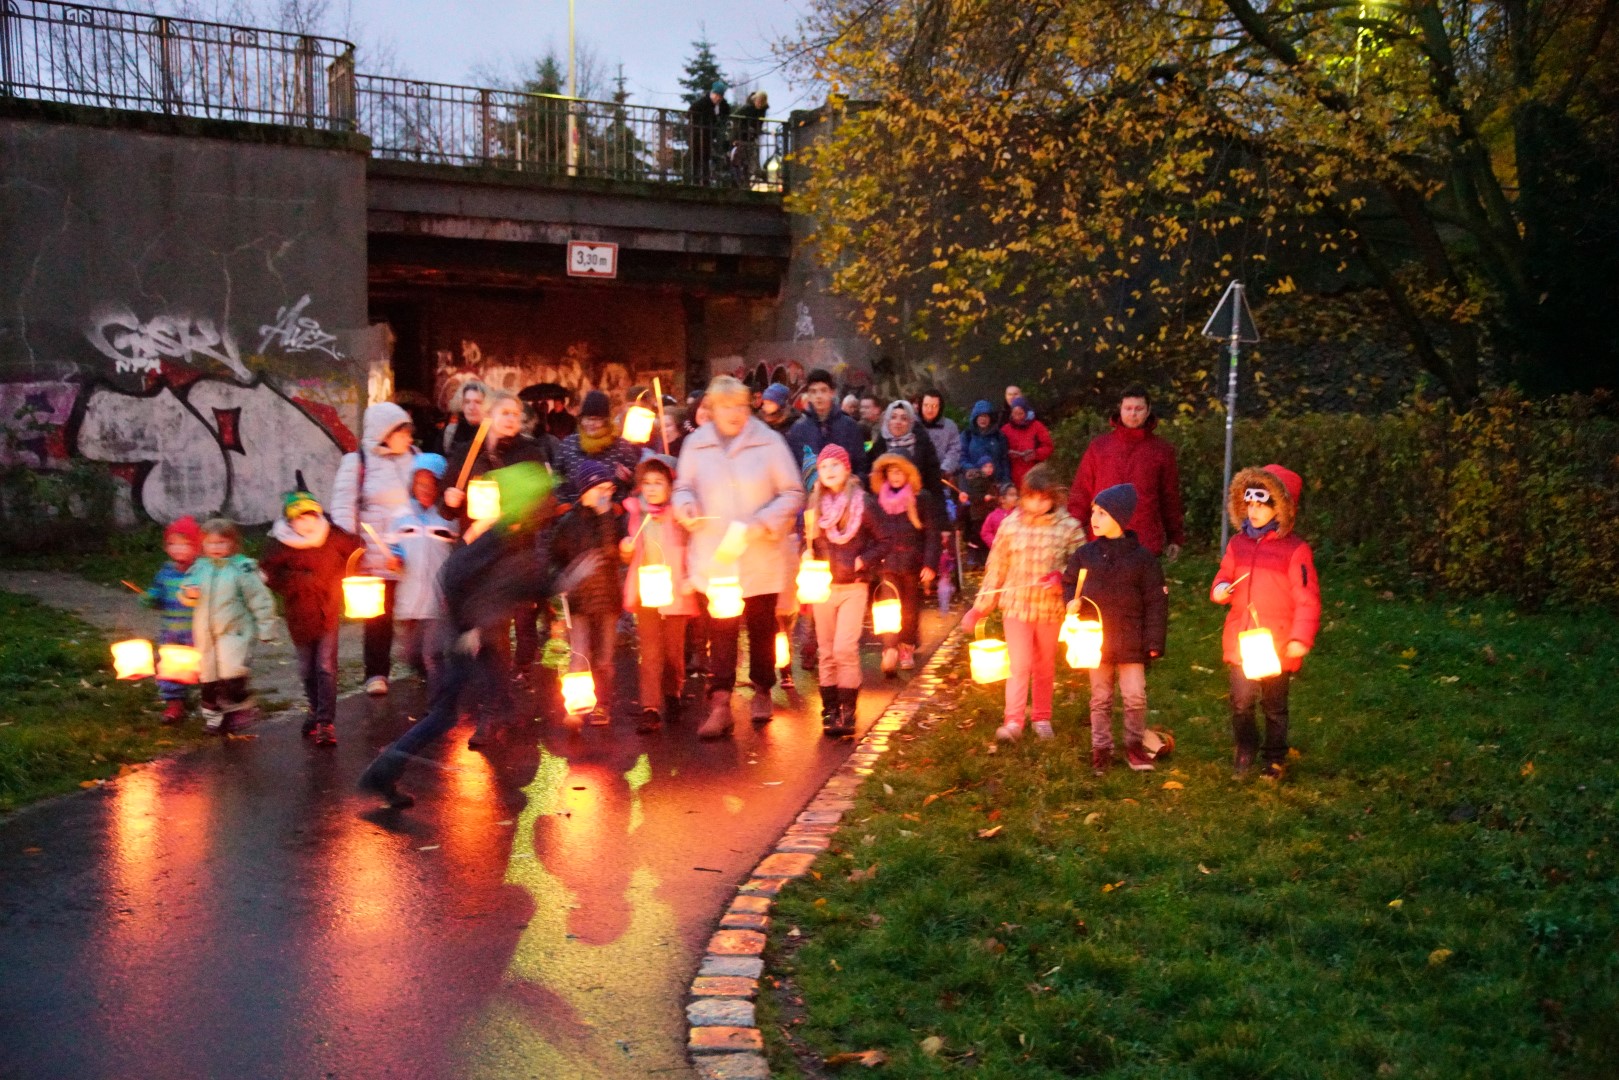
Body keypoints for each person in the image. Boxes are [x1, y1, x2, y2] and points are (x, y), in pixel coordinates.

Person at [358, 464, 599, 808]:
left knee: (487, 700)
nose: (551, 502)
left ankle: (388, 773)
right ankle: (382, 773)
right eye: (544, 497)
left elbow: (531, 585)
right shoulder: (501, 540)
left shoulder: (516, 538)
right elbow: (454, 575)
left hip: (476, 637)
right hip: (462, 639)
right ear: (528, 503)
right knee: (445, 714)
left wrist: (570, 577)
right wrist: (465, 628)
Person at [673, 375, 806, 738]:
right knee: (720, 631)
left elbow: (793, 492)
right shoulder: (696, 445)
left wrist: (761, 523)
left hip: (758, 555)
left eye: (740, 406)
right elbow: (682, 486)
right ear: (712, 409)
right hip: (715, 556)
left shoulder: (769, 442)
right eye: (725, 406)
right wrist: (685, 505)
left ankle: (762, 687)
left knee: (762, 628)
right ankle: (720, 703)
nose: (734, 413)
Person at [1210, 464, 1321, 780]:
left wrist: (1300, 637)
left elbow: (1306, 597)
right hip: (1242, 640)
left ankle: (1275, 757)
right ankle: (1245, 747)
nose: (1254, 510)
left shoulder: (1295, 551)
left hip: (1277, 643)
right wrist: (1220, 589)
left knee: (1274, 706)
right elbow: (1224, 574)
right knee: (1241, 700)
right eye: (1250, 503)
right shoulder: (1237, 544)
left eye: (1262, 503)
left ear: (1281, 508)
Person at [962, 465, 1084, 742]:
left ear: (1054, 497)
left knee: (1044, 665)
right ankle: (1014, 719)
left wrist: (1062, 580)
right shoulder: (1011, 525)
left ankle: (1042, 716)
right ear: (1022, 496)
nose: (1037, 504)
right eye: (1031, 497)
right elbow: (997, 566)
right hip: (1016, 607)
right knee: (1019, 664)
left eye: (1043, 498)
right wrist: (981, 606)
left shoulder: (1068, 528)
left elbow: (1080, 567)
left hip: (1049, 610)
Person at [1063, 484, 1168, 774]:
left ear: (1120, 518)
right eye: (1094, 512)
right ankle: (1101, 749)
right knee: (1100, 696)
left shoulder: (1143, 560)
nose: (1094, 518)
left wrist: (1154, 641)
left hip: (1131, 640)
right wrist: (1070, 602)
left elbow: (1156, 602)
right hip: (1094, 641)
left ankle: (1134, 746)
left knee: (1135, 695)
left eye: (1102, 513)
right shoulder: (1085, 555)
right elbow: (1070, 582)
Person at [260, 484, 365, 746]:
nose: (306, 522)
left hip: (327, 610)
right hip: (298, 614)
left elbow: (355, 551)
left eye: (310, 515)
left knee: (326, 666)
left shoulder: (331, 536)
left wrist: (352, 571)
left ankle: (325, 722)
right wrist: (290, 582)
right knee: (307, 668)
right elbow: (269, 574)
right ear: (289, 519)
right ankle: (315, 708)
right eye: (299, 517)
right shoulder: (281, 545)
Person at [329, 401, 419, 696]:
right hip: (374, 552)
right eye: (402, 431)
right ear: (385, 432)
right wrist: (349, 544)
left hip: (411, 548)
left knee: (417, 609)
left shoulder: (416, 457)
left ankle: (421, 662)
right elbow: (343, 506)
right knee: (379, 616)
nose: (408, 437)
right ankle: (376, 672)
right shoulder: (358, 462)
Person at [806, 444, 881, 736]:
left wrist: (863, 560)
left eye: (835, 465)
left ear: (847, 469)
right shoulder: (815, 507)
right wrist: (806, 553)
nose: (829, 471)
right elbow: (809, 541)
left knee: (844, 648)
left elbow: (884, 539)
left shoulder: (863, 504)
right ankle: (830, 709)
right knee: (826, 650)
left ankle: (849, 709)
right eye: (823, 467)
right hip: (824, 586)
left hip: (853, 586)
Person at [180, 519, 277, 735]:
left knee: (231, 675)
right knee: (208, 678)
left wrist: (266, 628)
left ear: (232, 544)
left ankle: (241, 707)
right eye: (211, 543)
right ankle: (214, 717)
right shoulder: (199, 568)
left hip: (234, 632)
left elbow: (259, 599)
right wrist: (188, 594)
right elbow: (186, 590)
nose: (216, 548)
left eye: (221, 543)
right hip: (205, 635)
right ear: (203, 545)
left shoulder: (241, 569)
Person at [550, 459, 627, 729]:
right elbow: (553, 557)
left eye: (609, 489)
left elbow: (611, 552)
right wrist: (564, 577)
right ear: (585, 490)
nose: (606, 494)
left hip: (607, 598)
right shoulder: (568, 523)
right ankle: (577, 706)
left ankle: (602, 705)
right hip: (578, 600)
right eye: (600, 488)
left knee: (604, 659)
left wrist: (606, 516)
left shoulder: (611, 519)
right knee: (579, 654)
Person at [1067, 387, 1186, 560]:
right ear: (1120, 409)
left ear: (1148, 411)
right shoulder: (1100, 447)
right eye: (1128, 408)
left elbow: (1169, 498)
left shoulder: (1161, 451)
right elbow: (1082, 491)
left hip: (1144, 542)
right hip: (1102, 539)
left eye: (1138, 409)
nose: (1133, 414)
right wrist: (1072, 530)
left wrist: (1175, 537)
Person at [622, 456, 696, 732]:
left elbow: (691, 546)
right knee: (650, 650)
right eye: (647, 483)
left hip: (676, 588)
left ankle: (673, 692)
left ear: (669, 485)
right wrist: (625, 549)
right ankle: (650, 706)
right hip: (646, 590)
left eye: (658, 483)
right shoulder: (635, 514)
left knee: (673, 651)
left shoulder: (678, 514)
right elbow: (628, 551)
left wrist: (690, 576)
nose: (652, 488)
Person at [388, 453, 458, 693]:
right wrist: (394, 557)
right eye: (420, 483)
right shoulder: (401, 515)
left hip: (438, 596)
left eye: (432, 484)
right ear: (413, 484)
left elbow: (460, 549)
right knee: (410, 653)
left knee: (432, 653)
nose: (426, 489)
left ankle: (438, 703)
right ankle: (434, 684)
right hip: (409, 597)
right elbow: (392, 545)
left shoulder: (449, 518)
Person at [868, 453, 942, 676]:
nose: (896, 476)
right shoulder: (879, 500)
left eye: (900, 471)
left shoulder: (921, 498)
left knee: (909, 609)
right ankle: (889, 647)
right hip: (887, 563)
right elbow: (872, 531)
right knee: (887, 607)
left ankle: (906, 647)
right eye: (891, 472)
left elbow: (931, 533)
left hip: (912, 563)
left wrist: (930, 563)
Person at [143, 516, 201, 725]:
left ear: (197, 547)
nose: (178, 549)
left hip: (198, 631)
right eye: (172, 544)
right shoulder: (165, 571)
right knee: (171, 668)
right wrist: (151, 597)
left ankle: (212, 703)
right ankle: (175, 704)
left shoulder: (202, 571)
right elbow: (157, 591)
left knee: (205, 670)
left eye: (184, 544)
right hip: (172, 631)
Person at [555, 390, 641, 506]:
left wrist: (629, 480)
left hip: (611, 517)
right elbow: (556, 478)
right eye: (587, 418)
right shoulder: (568, 445)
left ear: (606, 421)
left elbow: (638, 484)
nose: (591, 423)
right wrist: (563, 503)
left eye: (596, 419)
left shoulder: (621, 447)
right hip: (575, 516)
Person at [786, 368, 867, 480]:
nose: (818, 396)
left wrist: (856, 481)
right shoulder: (798, 430)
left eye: (823, 390)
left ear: (832, 392)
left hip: (845, 493)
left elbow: (861, 465)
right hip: (812, 494)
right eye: (813, 391)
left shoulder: (849, 426)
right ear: (808, 395)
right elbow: (794, 467)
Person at [960, 400, 1010, 566]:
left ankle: (993, 554)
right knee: (975, 521)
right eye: (980, 416)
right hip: (974, 483)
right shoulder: (967, 435)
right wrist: (973, 470)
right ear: (975, 418)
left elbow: (1004, 459)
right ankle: (974, 554)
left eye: (986, 416)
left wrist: (1005, 481)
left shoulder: (999, 436)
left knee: (995, 519)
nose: (983, 420)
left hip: (995, 483)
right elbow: (962, 457)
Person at [868, 399, 944, 499]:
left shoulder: (923, 444)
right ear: (887, 420)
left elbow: (934, 483)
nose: (898, 422)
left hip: (918, 503)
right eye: (893, 417)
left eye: (904, 418)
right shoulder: (879, 446)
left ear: (910, 422)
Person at [1002, 395, 1053, 488]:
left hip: (1034, 473)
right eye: (1014, 414)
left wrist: (1035, 454)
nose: (1017, 417)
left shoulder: (1037, 426)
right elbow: (999, 449)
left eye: (1020, 414)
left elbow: (1048, 446)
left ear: (1026, 412)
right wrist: (1008, 453)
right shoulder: (1005, 429)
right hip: (1013, 475)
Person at [688, 80, 730, 186]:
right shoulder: (702, 103)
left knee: (706, 158)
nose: (718, 98)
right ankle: (696, 180)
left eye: (720, 96)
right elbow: (690, 114)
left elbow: (726, 113)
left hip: (710, 135)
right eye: (716, 95)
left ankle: (705, 181)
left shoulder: (722, 105)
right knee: (697, 157)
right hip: (698, 134)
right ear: (712, 93)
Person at [918, 390, 962, 485]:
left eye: (934, 406)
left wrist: (944, 469)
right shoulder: (912, 424)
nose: (930, 410)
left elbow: (954, 450)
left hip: (940, 476)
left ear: (940, 407)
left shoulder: (950, 426)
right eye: (926, 405)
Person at [729, 89, 768, 186]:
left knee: (751, 158)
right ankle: (739, 181)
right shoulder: (748, 108)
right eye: (758, 102)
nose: (759, 104)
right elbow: (734, 117)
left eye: (761, 103)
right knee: (740, 160)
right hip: (741, 137)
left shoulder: (762, 111)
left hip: (751, 138)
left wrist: (757, 131)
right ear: (755, 100)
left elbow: (759, 123)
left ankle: (751, 177)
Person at [441, 380, 488, 456]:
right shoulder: (449, 433)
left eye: (478, 402)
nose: (472, 407)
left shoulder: (494, 433)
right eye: (467, 402)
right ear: (461, 405)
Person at [981, 483, 1018, 549]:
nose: (1016, 498)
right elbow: (985, 532)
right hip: (1000, 551)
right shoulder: (993, 516)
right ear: (1002, 499)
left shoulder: (1020, 514)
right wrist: (996, 543)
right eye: (1012, 495)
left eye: (1016, 495)